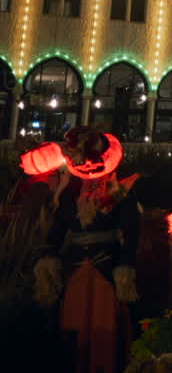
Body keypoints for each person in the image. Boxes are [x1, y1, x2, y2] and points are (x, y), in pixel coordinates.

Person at [26, 126, 141, 373]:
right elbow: (55, 229)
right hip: (75, 267)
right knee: (73, 320)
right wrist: (48, 254)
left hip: (107, 267)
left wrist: (126, 263)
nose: (89, 166)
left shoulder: (119, 190)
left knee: (104, 321)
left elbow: (131, 230)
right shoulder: (67, 192)